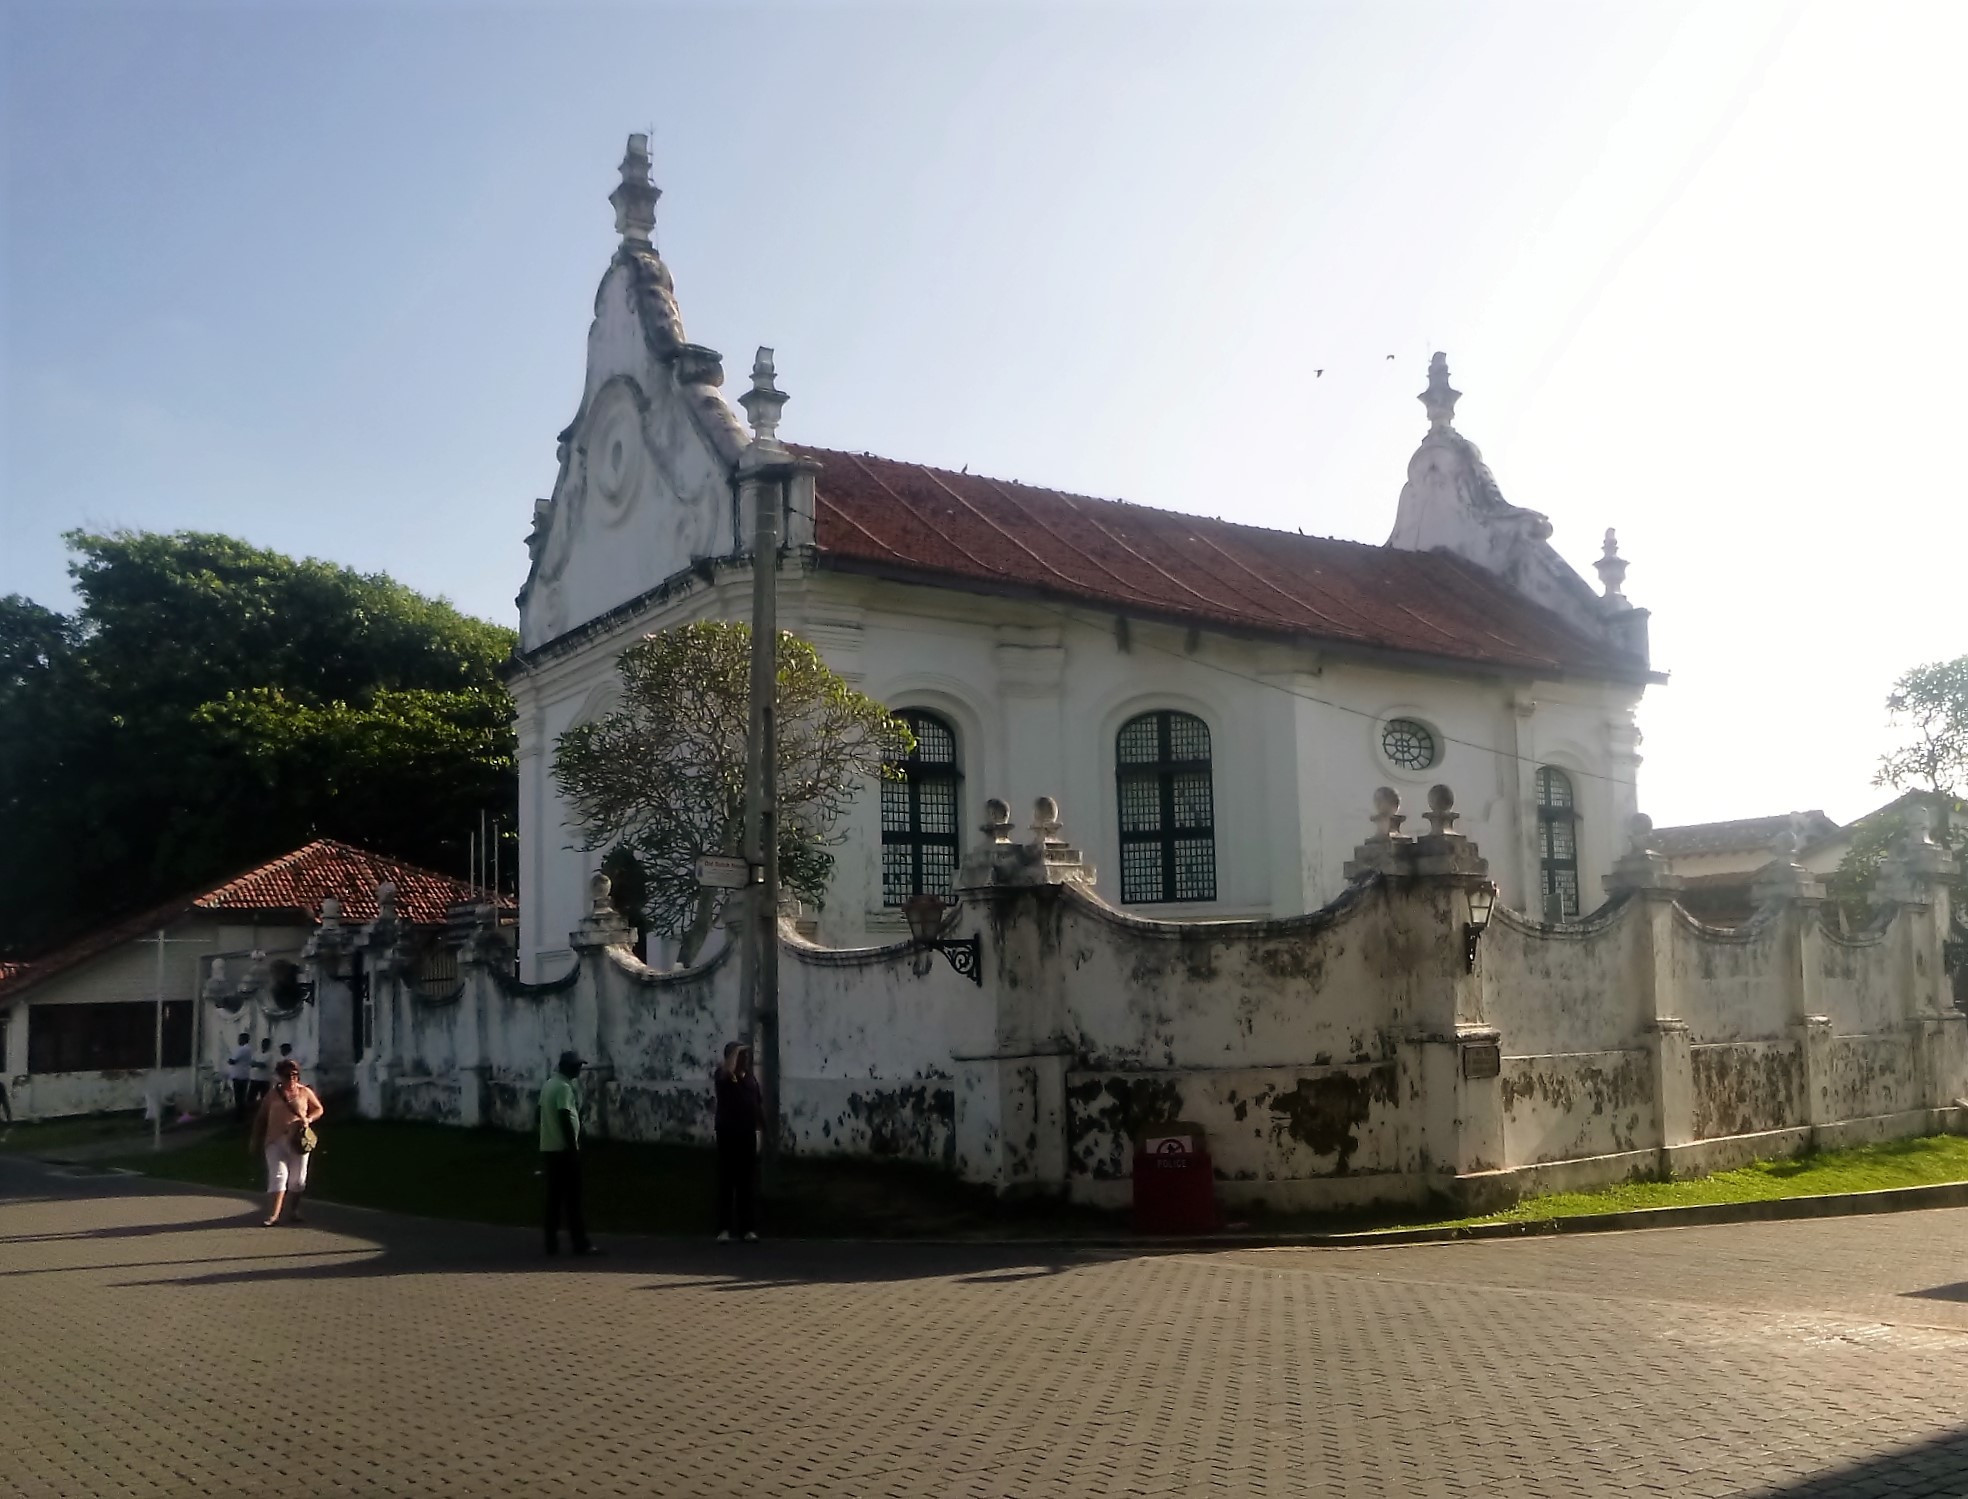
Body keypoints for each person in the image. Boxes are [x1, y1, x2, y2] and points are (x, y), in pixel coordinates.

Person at [249, 1058, 322, 1227]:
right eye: (287, 1075)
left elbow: (319, 1109)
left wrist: (308, 1119)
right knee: (278, 1176)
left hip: (298, 1141)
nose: (292, 1079)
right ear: (279, 1076)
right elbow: (261, 1118)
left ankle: (294, 1211)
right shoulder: (273, 1094)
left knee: (298, 1180)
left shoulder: (304, 1092)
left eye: (295, 1075)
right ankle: (273, 1215)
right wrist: (255, 1139)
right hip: (274, 1141)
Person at [538, 1050, 596, 1257]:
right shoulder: (564, 1087)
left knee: (553, 1199)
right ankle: (580, 1243)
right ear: (565, 1066)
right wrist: (574, 1148)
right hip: (564, 1151)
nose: (579, 1069)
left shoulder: (548, 1084)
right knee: (573, 1200)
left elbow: (539, 1114)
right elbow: (564, 1115)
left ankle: (550, 1243)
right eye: (576, 1066)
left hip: (549, 1148)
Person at [713, 1041, 763, 1242]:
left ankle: (747, 1228)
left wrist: (762, 1126)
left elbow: (756, 1103)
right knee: (727, 1181)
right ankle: (723, 1229)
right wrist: (733, 1056)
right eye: (741, 1055)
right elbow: (726, 1073)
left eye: (746, 1055)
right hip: (728, 1134)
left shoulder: (750, 1079)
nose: (745, 1058)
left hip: (747, 1134)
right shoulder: (723, 1076)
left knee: (746, 1183)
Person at [226, 1032, 254, 1121]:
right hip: (245, 1075)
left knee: (238, 1097)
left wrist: (229, 1059)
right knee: (242, 1097)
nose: (238, 1040)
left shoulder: (242, 1049)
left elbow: (232, 1061)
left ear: (243, 1039)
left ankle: (239, 1117)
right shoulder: (249, 1049)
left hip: (238, 1075)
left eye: (239, 1038)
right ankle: (242, 1115)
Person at [247, 1037, 273, 1107]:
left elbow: (263, 1065)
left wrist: (256, 1063)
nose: (264, 1045)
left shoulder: (270, 1055)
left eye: (266, 1044)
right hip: (254, 1078)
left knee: (264, 1099)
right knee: (250, 1098)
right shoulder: (256, 1053)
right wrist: (257, 1064)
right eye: (263, 1043)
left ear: (269, 1045)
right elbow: (251, 1063)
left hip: (264, 1080)